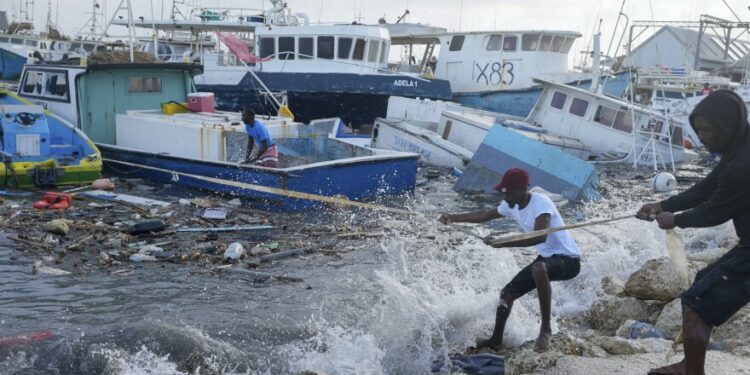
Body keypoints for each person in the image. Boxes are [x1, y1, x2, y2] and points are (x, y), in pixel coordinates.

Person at [638, 90, 750, 375]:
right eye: (698, 130)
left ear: (727, 126)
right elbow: (707, 188)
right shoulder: (740, 148)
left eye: (708, 130)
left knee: (695, 301)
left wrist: (674, 219)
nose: (702, 137)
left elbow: (715, 211)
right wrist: (663, 204)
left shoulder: (741, 164)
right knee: (703, 281)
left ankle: (692, 370)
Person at [439, 168, 581, 353]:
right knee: (506, 295)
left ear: (524, 189)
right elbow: (484, 216)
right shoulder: (510, 205)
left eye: (509, 192)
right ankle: (496, 340)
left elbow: (540, 236)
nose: (505, 197)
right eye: (503, 192)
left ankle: (545, 329)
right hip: (546, 260)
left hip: (569, 261)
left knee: (538, 268)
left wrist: (503, 242)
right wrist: (452, 217)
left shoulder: (541, 202)